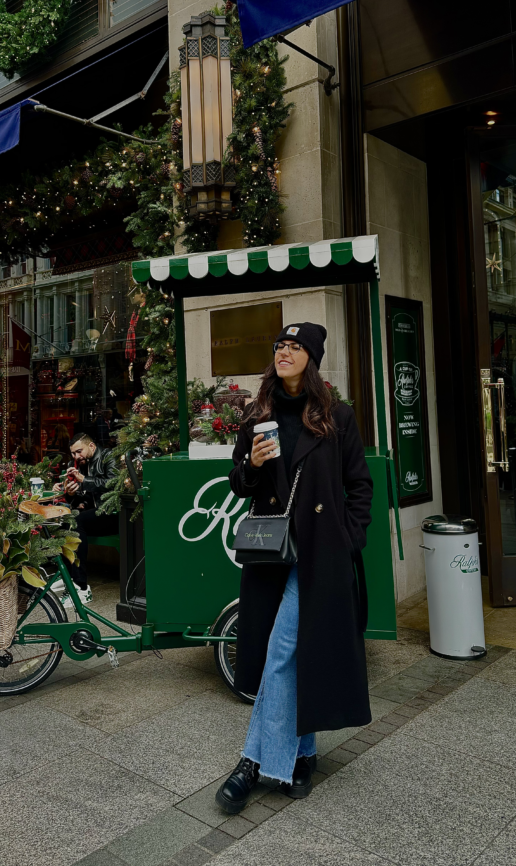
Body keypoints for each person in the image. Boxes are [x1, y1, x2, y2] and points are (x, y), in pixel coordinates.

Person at [216, 322, 373, 814]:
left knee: (283, 649)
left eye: (295, 346)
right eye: (280, 345)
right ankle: (303, 754)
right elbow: (238, 484)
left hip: (319, 553)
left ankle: (251, 763)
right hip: (270, 551)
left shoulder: (337, 417)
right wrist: (255, 465)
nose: (284, 351)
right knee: (282, 651)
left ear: (312, 359)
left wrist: (347, 539)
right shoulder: (255, 415)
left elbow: (360, 486)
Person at [52, 432, 118, 604]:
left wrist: (85, 479)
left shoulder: (107, 456)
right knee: (64, 521)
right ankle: (69, 577)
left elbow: (114, 483)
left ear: (91, 446)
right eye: (73, 453)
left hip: (112, 513)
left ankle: (81, 587)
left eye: (79, 451)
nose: (76, 456)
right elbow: (79, 500)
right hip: (92, 514)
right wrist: (70, 493)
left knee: (76, 520)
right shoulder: (77, 464)